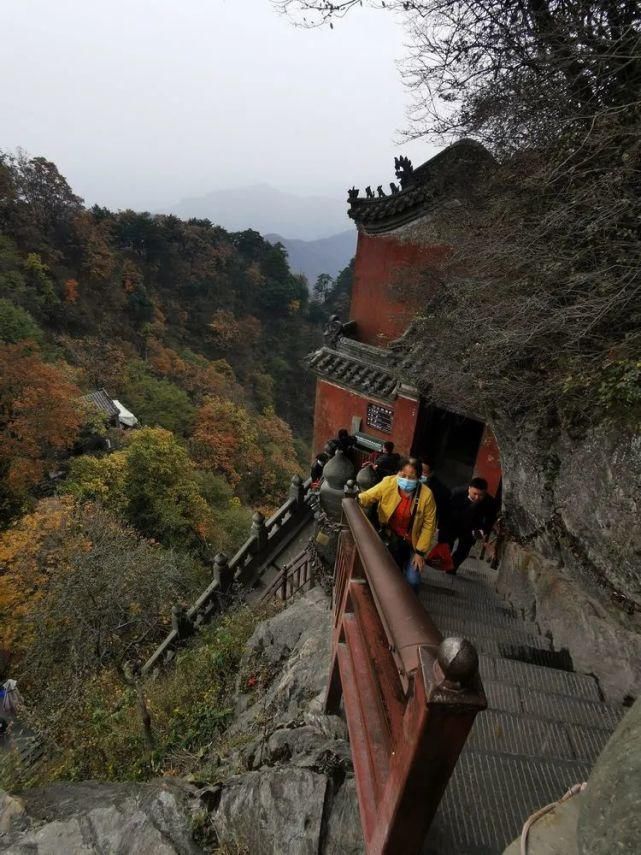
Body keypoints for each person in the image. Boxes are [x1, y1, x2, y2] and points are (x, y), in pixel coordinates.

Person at [358, 457, 437, 594]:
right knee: (386, 571)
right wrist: (356, 499)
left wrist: (420, 553)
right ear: (398, 472)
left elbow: (429, 525)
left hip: (413, 543)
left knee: (413, 580)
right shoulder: (389, 482)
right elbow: (369, 496)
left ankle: (411, 605)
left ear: (419, 477)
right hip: (390, 536)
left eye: (411, 477)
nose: (406, 480)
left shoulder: (426, 495)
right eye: (403, 475)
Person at [443, 477, 498, 574]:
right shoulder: (457, 493)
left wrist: (483, 531)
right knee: (446, 545)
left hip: (472, 528)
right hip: (454, 523)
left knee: (463, 551)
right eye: (475, 494)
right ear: (469, 489)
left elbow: (490, 520)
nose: (477, 497)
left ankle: (451, 568)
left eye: (481, 495)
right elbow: (447, 511)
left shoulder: (490, 502)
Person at [420, 458, 451, 534]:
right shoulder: (410, 481)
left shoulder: (440, 490)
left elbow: (441, 510)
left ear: (431, 473)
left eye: (424, 472)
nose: (420, 474)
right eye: (418, 470)